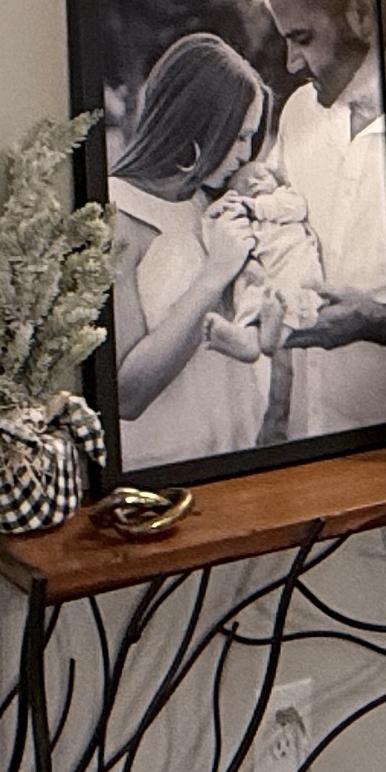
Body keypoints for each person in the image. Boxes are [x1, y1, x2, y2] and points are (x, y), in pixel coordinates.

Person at [105, 32, 273, 468]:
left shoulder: (209, 201)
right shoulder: (118, 213)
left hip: (238, 453)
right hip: (163, 471)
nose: (245, 154)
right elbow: (125, 393)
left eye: (251, 137)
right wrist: (215, 273)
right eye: (237, 137)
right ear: (196, 125)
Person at [257, 0, 386, 439]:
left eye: (302, 38)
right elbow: (278, 231)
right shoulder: (299, 111)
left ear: (361, 13)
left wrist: (372, 321)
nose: (291, 62)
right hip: (307, 431)